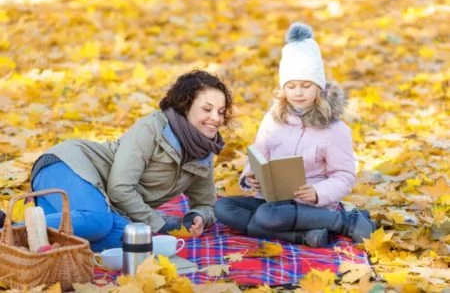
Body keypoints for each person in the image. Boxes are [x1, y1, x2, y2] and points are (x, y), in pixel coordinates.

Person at [20, 70, 232, 252]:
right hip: (68, 166)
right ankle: (11, 230)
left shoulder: (203, 150)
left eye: (221, 112)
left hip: (106, 204)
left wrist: (198, 216)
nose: (216, 118)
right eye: (207, 109)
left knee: (126, 240)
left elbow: (206, 202)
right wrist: (159, 223)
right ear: (185, 105)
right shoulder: (152, 129)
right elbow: (120, 189)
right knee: (98, 221)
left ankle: (31, 228)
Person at [214, 22, 376, 248]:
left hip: (311, 204)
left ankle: (344, 222)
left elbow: (344, 176)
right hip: (272, 201)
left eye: (305, 85)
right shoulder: (272, 118)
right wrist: (251, 178)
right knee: (223, 208)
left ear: (319, 87)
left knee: (267, 217)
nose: (298, 92)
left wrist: (317, 192)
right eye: (291, 86)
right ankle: (304, 236)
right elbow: (259, 156)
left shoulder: (334, 129)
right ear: (283, 89)